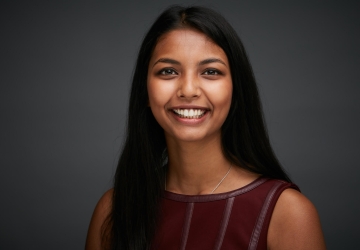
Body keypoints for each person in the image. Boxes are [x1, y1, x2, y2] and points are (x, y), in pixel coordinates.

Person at [85, 6, 326, 250]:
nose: (188, 90)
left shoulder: (287, 214)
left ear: (235, 89)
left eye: (210, 72)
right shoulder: (113, 211)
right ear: (144, 91)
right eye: (168, 71)